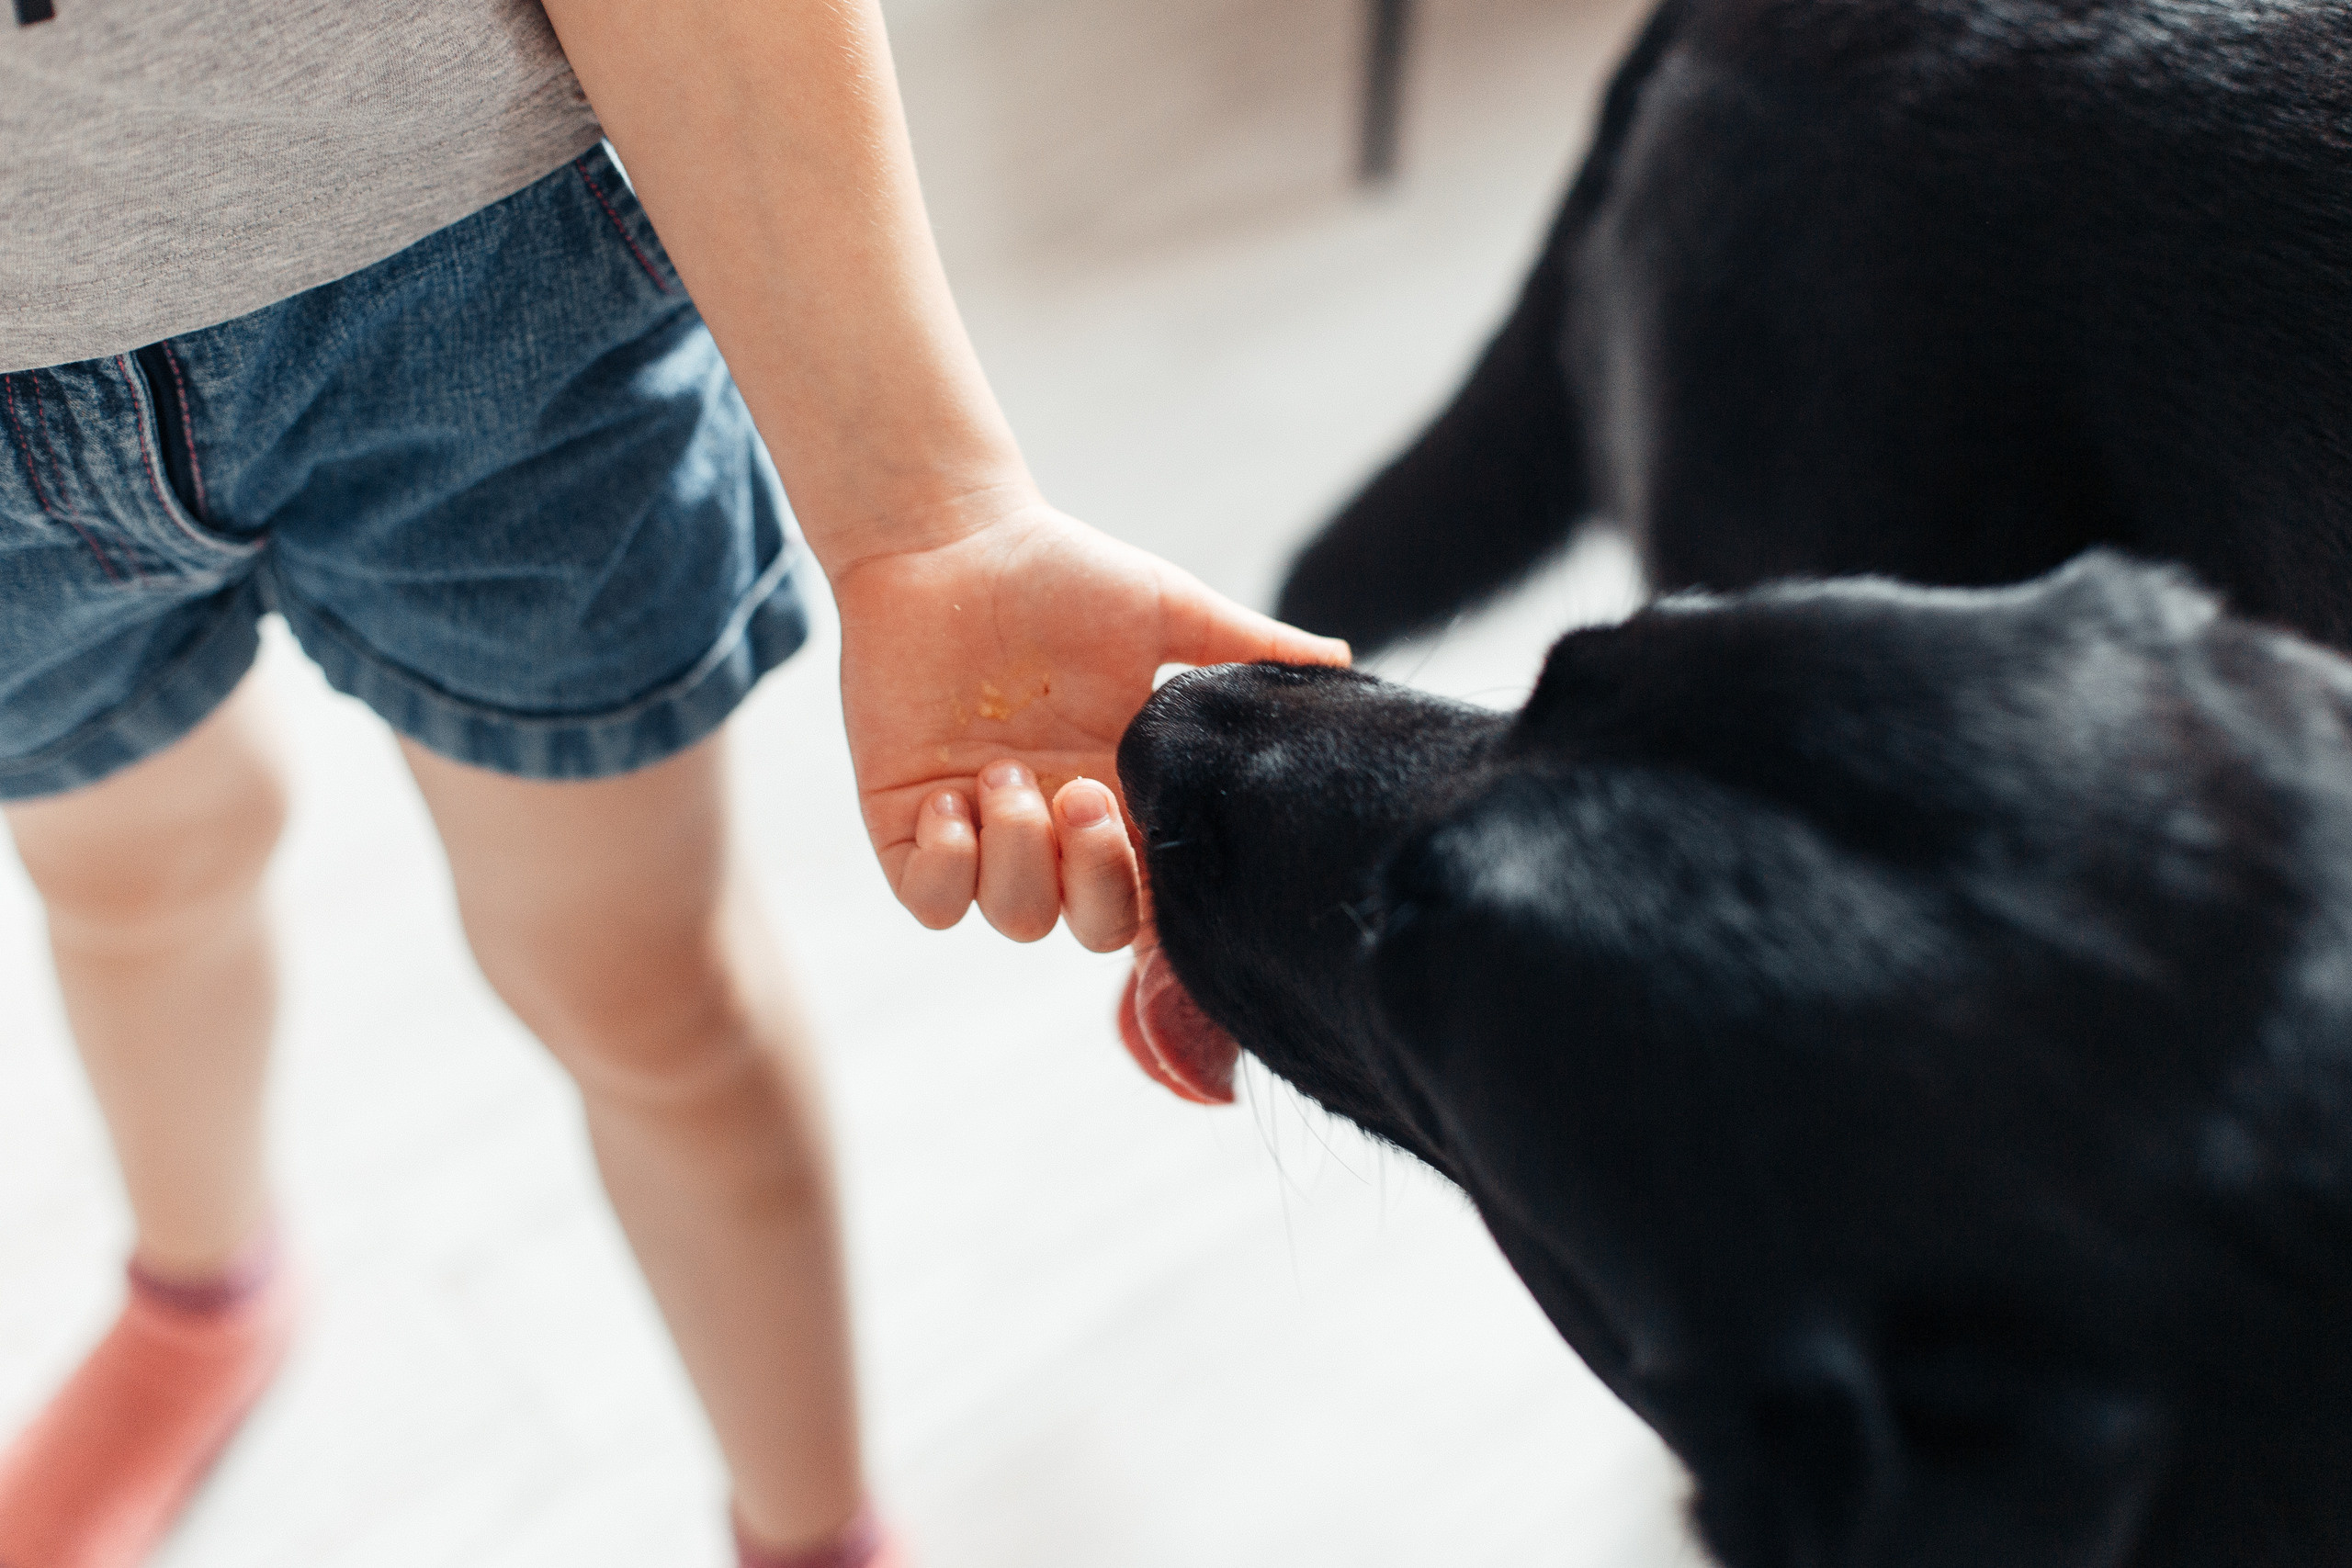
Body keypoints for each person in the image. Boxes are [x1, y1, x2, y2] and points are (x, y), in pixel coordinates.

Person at [0, 1, 1348, 1565]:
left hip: (473, 276)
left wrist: (926, 511)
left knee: (648, 990)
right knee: (129, 882)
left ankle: (813, 1536)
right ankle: (203, 1302)